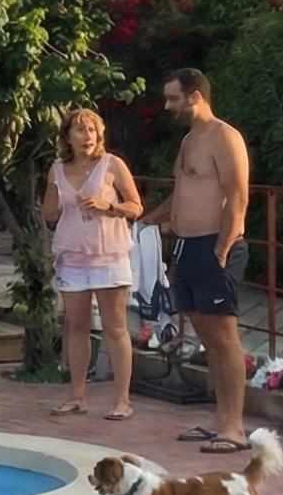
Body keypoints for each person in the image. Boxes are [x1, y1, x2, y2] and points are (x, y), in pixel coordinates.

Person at [144, 67, 254, 454]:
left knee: (225, 339)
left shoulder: (224, 136)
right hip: (188, 247)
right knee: (207, 337)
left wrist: (222, 248)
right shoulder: (190, 141)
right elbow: (182, 195)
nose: (168, 106)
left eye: (173, 98)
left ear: (195, 96)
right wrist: (146, 220)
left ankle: (235, 427)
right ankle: (220, 419)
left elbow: (237, 196)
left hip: (214, 247)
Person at [43, 108, 141, 422]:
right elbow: (50, 215)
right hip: (73, 256)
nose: (87, 136)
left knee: (114, 327)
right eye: (80, 130)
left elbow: (136, 206)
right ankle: (76, 396)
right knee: (76, 326)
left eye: (92, 130)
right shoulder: (57, 168)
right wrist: (51, 188)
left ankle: (122, 400)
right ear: (67, 136)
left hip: (109, 255)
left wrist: (108, 206)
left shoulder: (112, 165)